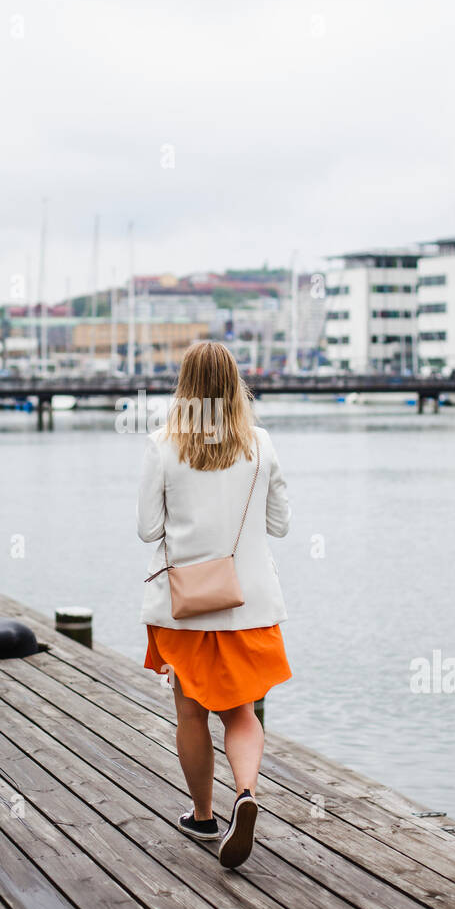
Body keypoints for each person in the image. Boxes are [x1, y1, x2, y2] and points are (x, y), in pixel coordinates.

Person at [136, 342, 291, 869]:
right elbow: (280, 525)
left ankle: (203, 816)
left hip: (188, 604)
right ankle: (244, 794)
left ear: (185, 387)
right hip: (248, 603)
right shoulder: (261, 444)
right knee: (242, 711)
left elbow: (147, 531)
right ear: (235, 384)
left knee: (189, 708)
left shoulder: (162, 445)